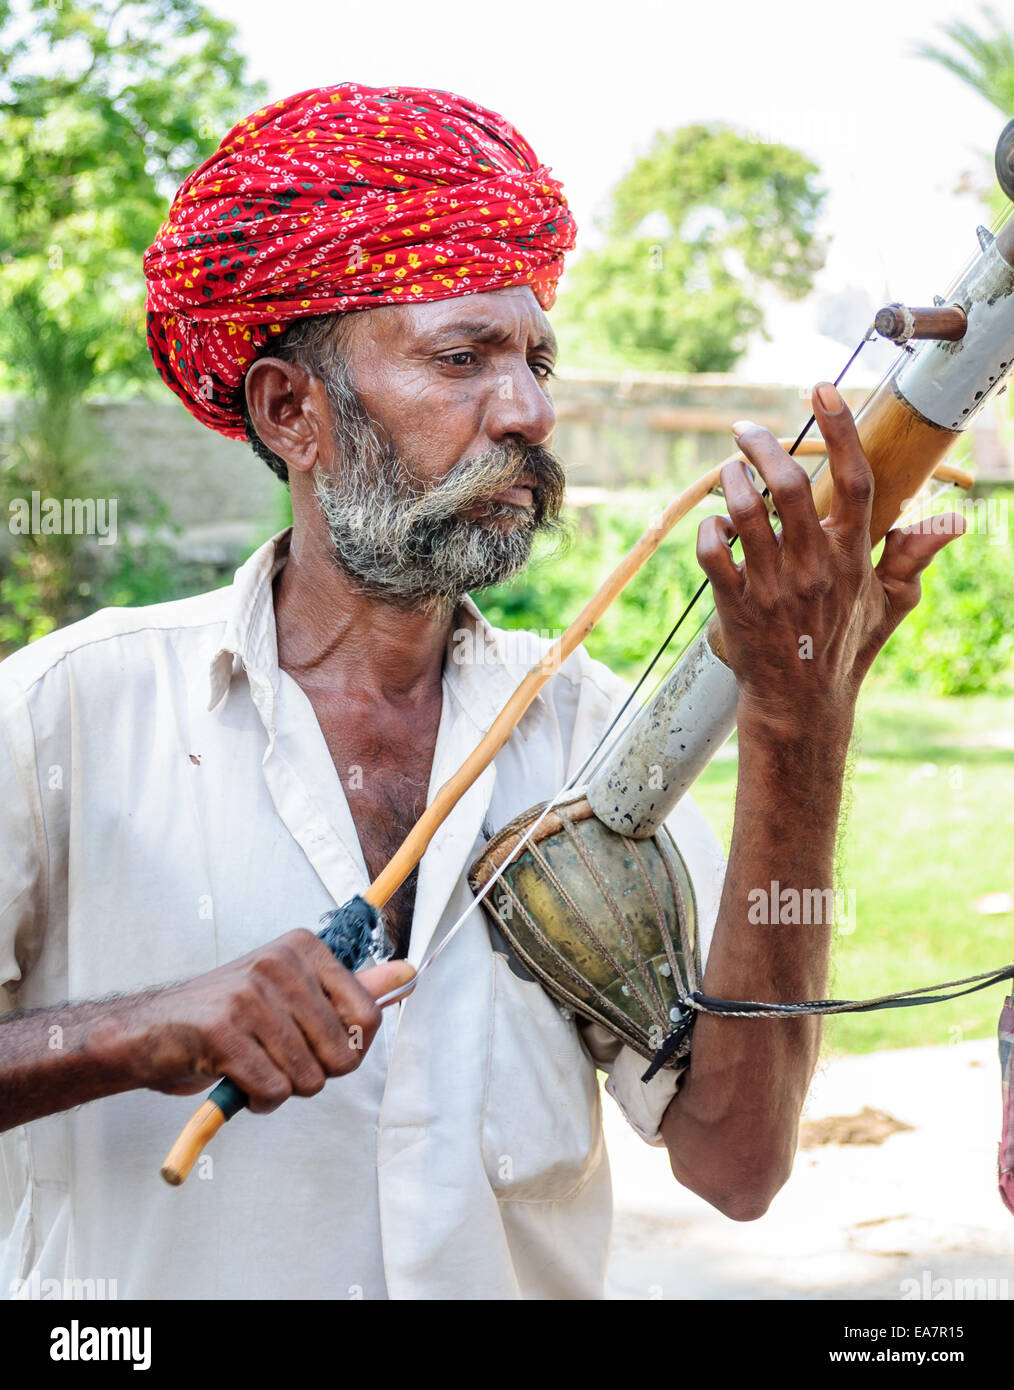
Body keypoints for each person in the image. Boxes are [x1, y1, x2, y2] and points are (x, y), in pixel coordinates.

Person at [0, 83, 959, 1300]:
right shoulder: (65, 717)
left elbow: (740, 1158)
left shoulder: (597, 743)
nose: (528, 412)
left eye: (536, 360)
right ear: (293, 411)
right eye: (463, 359)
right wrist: (125, 1033)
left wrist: (796, 719)